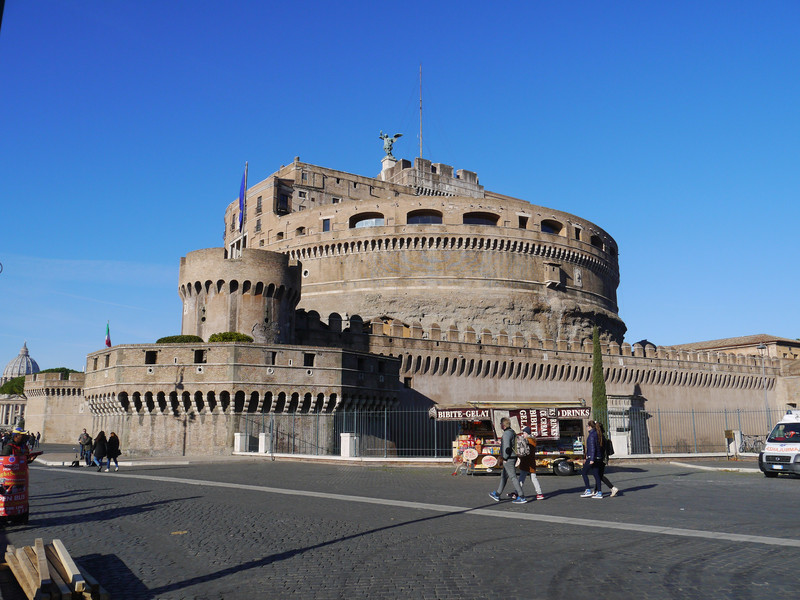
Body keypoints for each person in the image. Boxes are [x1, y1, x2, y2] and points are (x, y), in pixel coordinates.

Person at [489, 417, 528, 504]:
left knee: (513, 477)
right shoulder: (512, 432)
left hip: (508, 458)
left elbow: (506, 447)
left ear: (503, 425)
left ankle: (521, 496)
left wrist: (504, 458)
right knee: (504, 476)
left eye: (500, 424)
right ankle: (497, 494)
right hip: (512, 457)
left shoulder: (506, 434)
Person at [517, 426, 544, 501]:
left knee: (522, 478)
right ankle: (539, 493)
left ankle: (517, 492)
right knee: (532, 478)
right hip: (531, 462)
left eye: (524, 433)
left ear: (527, 433)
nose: (523, 435)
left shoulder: (528, 440)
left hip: (526, 462)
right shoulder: (533, 440)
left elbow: (524, 451)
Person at [580, 420, 603, 499]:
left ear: (590, 427)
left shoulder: (591, 436)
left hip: (592, 457)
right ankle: (599, 492)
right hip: (598, 457)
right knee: (596, 475)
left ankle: (588, 490)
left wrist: (591, 459)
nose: (586, 428)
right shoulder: (597, 434)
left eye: (587, 426)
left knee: (584, 472)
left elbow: (592, 448)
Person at [597, 422, 620, 497]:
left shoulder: (600, 437)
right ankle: (596, 490)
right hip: (604, 458)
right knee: (598, 475)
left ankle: (612, 488)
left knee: (599, 475)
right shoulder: (602, 436)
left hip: (601, 459)